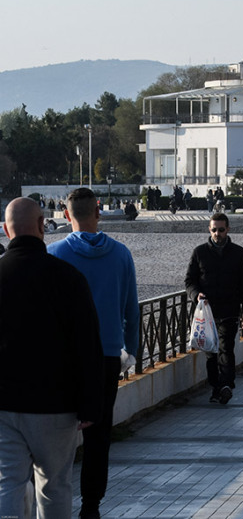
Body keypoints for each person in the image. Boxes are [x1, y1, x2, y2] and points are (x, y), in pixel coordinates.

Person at [0, 197, 103, 518]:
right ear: (43, 226)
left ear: (6, 230)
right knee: (55, 485)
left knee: (8, 483)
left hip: (3, 405)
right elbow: (88, 345)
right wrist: (89, 404)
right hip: (56, 405)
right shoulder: (67, 277)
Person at [46, 188, 140, 519]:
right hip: (107, 355)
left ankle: (55, 500)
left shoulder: (55, 254)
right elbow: (131, 309)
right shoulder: (121, 254)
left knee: (58, 432)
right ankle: (91, 504)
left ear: (67, 215)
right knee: (99, 433)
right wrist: (133, 350)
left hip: (65, 357)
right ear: (98, 212)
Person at [185, 213, 243, 404]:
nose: (217, 233)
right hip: (206, 313)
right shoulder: (199, 252)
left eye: (221, 230)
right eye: (214, 229)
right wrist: (195, 294)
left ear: (228, 229)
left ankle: (225, 385)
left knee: (226, 348)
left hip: (230, 310)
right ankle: (216, 387)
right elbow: (189, 280)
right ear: (209, 229)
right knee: (211, 353)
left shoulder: (238, 253)